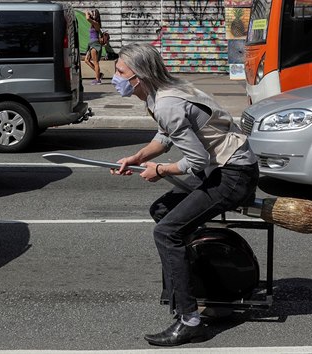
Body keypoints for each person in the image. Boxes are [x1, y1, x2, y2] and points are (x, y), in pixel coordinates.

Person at [110, 43, 259, 346]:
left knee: (167, 233)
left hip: (233, 175)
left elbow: (196, 162)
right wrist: (138, 158)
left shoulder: (166, 103)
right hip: (226, 168)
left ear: (140, 75)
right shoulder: (162, 92)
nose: (116, 77)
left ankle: (190, 320)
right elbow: (164, 138)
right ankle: (203, 284)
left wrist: (160, 171)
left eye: (121, 71)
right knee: (163, 211)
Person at [84, 9, 104, 85]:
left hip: (95, 44)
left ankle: (97, 79)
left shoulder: (96, 23)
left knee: (95, 62)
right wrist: (89, 13)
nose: (92, 14)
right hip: (91, 44)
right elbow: (89, 18)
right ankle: (99, 74)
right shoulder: (93, 23)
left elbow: (87, 18)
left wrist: (86, 12)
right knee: (86, 60)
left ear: (96, 16)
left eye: (93, 13)